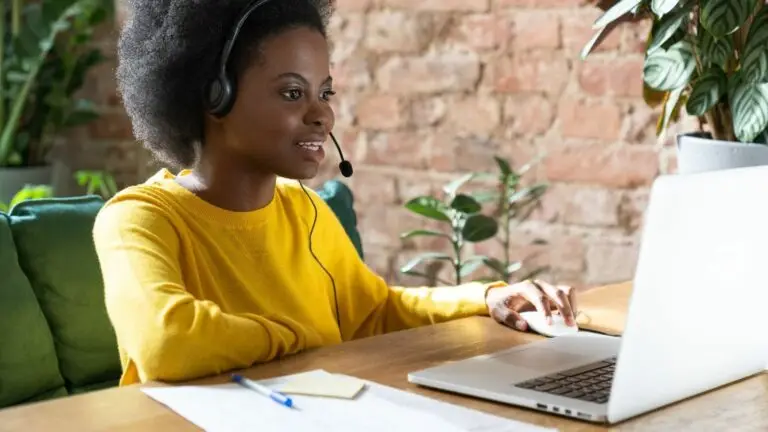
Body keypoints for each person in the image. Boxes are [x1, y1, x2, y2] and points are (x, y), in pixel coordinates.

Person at [93, 0, 578, 387]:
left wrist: (490, 296)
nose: (321, 115)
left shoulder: (305, 211)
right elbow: (167, 343)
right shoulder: (138, 219)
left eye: (324, 93)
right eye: (291, 93)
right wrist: (304, 335)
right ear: (213, 94)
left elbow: (376, 311)